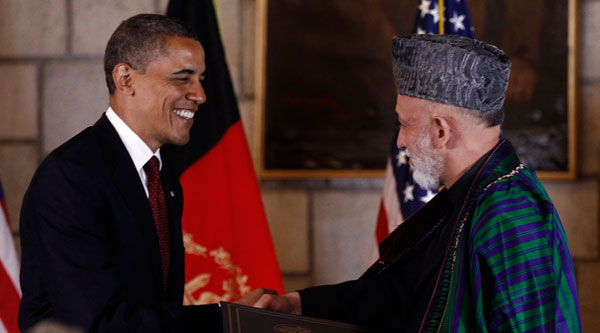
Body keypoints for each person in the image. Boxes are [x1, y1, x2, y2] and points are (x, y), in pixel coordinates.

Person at [249, 34, 582, 331]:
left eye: (404, 124)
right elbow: (400, 293)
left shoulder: (510, 214)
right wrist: (295, 305)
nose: (400, 142)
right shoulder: (471, 196)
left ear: (441, 131)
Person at [18, 14, 221, 332]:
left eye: (201, 79)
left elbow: (157, 305)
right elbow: (98, 323)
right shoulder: (70, 177)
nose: (199, 95)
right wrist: (226, 318)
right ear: (125, 79)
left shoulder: (162, 178)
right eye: (183, 77)